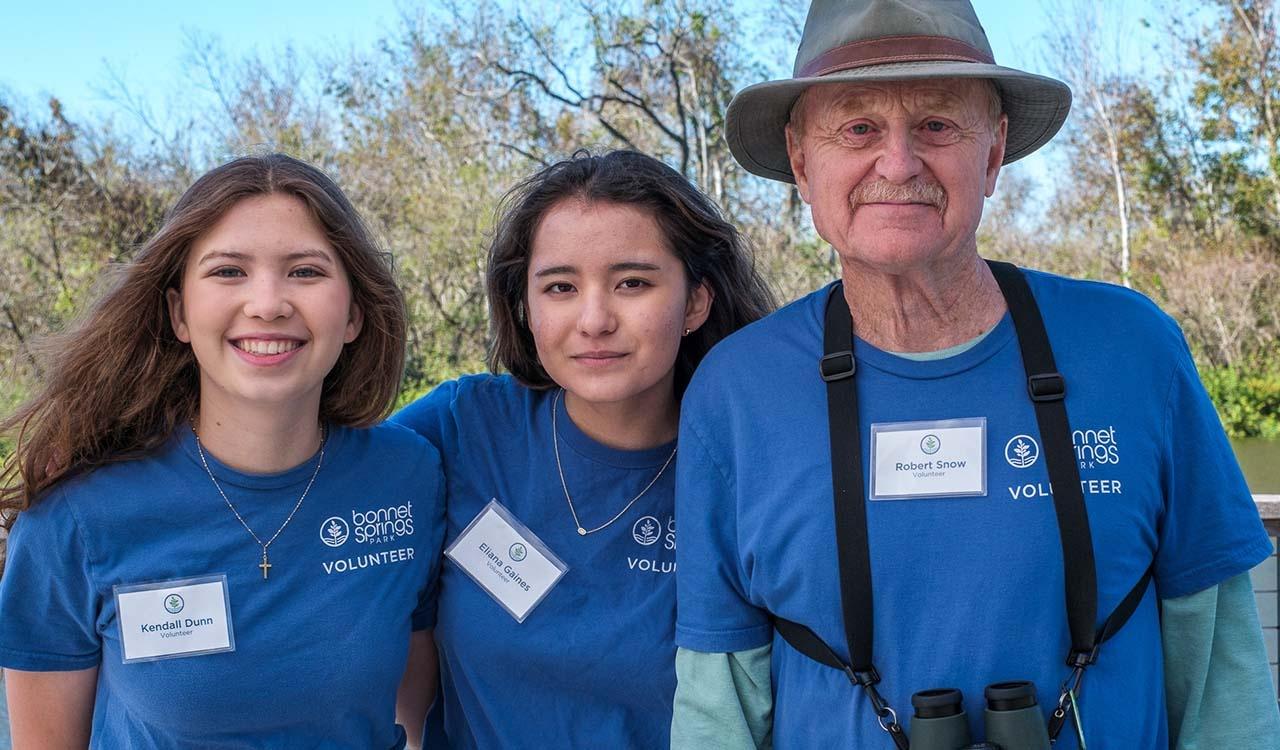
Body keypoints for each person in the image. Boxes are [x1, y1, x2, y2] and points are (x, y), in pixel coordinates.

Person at [671, 1, 1280, 748]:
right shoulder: (737, 392)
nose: (897, 163)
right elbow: (716, 707)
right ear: (802, 162)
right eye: (858, 128)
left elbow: (1224, 675)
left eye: (936, 125)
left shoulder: (1132, 348)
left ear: (992, 154)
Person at [0, 153, 445, 749]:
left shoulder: (408, 475)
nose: (267, 303)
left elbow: (414, 708)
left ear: (355, 314)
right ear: (180, 312)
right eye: (229, 271)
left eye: (306, 272)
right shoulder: (76, 517)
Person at [392, 149, 776, 749]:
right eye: (561, 286)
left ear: (695, 301)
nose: (594, 319)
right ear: (526, 304)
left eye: (632, 283)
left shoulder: (749, 464)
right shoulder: (461, 428)